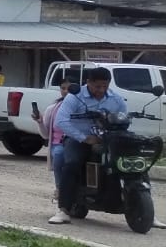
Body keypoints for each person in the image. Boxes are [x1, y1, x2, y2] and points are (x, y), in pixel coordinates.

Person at [49, 66, 127, 225]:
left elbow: (124, 119)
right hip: (78, 139)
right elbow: (61, 121)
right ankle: (63, 210)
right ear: (88, 82)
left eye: (105, 86)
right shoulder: (75, 97)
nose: (101, 90)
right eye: (97, 86)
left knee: (131, 164)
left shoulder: (116, 99)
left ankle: (144, 209)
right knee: (71, 164)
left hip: (107, 140)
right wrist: (85, 138)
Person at [40, 81, 71, 202]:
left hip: (78, 142)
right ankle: (59, 189)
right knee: (59, 155)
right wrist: (39, 122)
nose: (66, 91)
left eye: (69, 88)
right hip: (59, 144)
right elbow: (45, 135)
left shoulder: (83, 107)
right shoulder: (52, 109)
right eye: (63, 88)